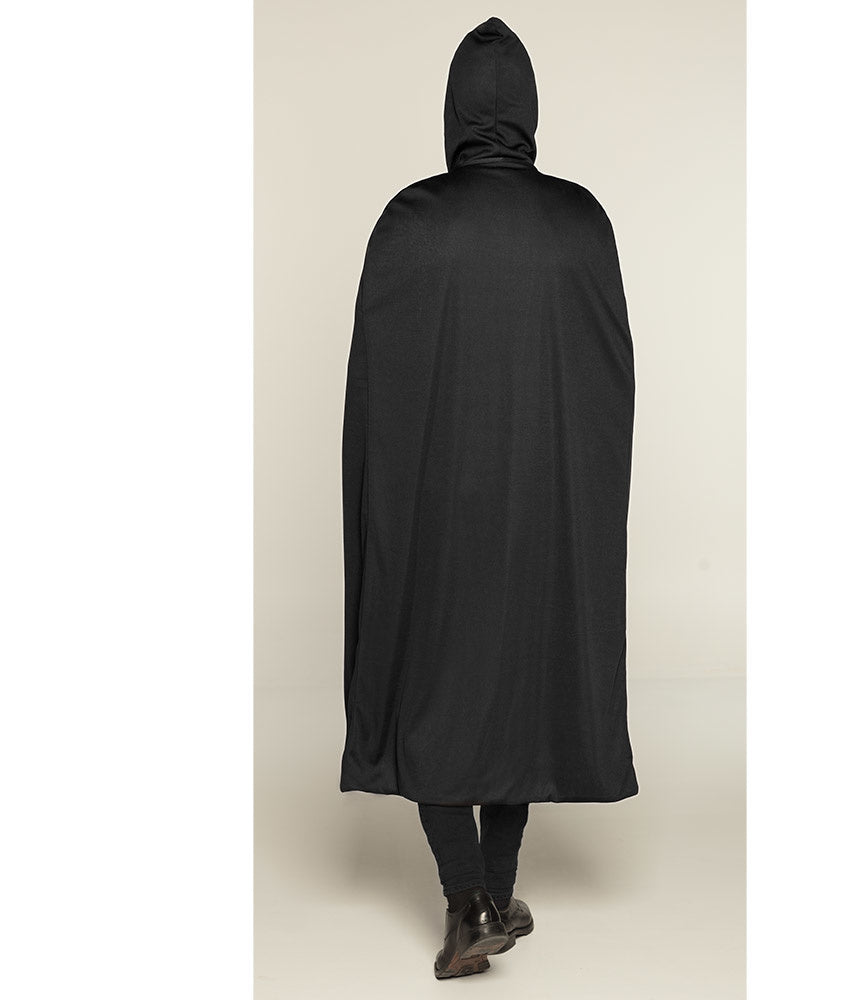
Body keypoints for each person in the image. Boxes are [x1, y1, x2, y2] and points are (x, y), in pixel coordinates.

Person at [340, 17, 638, 979]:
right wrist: (581, 489)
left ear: (453, 112)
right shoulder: (581, 221)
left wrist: (388, 504)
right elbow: (611, 378)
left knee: (431, 684)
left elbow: (377, 382)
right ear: (530, 111)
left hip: (437, 506)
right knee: (524, 682)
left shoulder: (413, 218)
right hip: (547, 502)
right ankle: (491, 891)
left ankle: (471, 897)